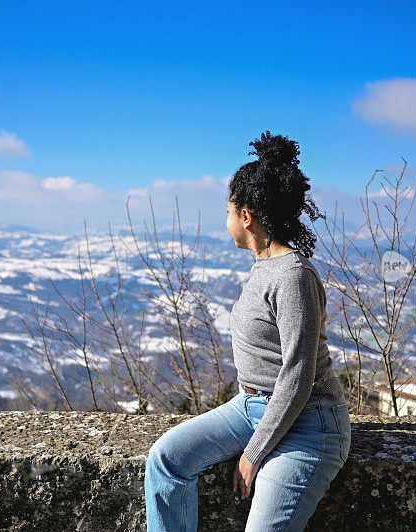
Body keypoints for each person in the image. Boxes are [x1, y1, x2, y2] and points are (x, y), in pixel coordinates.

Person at [144, 131, 351, 531]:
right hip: (251, 407)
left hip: (309, 423)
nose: (225, 223)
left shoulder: (293, 277)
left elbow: (298, 374)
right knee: (165, 461)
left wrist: (254, 453)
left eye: (227, 212)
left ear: (246, 216)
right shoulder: (265, 268)